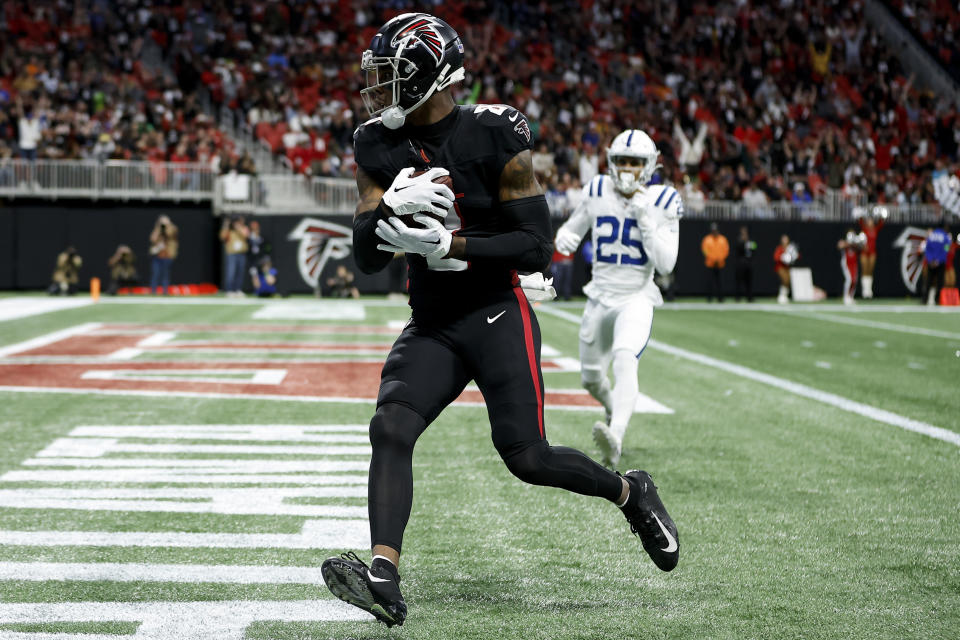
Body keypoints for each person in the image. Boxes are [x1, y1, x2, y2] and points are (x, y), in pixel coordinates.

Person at [320, 14, 679, 629]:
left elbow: (536, 246)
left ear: (429, 78)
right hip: (432, 320)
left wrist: (450, 247)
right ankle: (384, 573)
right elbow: (366, 259)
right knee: (390, 428)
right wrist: (383, 216)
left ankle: (630, 492)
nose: (376, 90)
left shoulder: (493, 133)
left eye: (391, 76)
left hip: (494, 313)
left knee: (527, 457)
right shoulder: (375, 144)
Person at [553, 129, 681, 466]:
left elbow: (666, 264)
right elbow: (573, 227)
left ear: (649, 166)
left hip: (635, 296)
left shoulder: (663, 201)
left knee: (626, 359)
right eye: (622, 161)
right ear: (611, 162)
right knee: (591, 378)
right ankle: (613, 408)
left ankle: (617, 436)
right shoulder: (596, 190)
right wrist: (564, 237)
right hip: (599, 297)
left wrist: (645, 218)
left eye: (635, 162)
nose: (627, 168)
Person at [857, 206, 886, 299]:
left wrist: (881, 214)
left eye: (871, 221)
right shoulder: (864, 228)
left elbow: (881, 223)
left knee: (870, 271)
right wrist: (862, 212)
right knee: (864, 270)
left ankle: (869, 291)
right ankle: (864, 291)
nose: (870, 222)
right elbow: (860, 220)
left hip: (872, 252)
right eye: (868, 221)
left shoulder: (875, 229)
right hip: (864, 252)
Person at [220, 216, 249, 297]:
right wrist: (226, 224)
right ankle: (229, 290)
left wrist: (238, 227)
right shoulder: (229, 231)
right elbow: (222, 237)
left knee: (240, 273)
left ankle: (238, 289)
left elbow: (246, 236)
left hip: (241, 254)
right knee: (231, 272)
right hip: (232, 254)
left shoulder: (244, 228)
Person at [924, 221, 952, 305]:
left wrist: (931, 260)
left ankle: (924, 300)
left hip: (931, 263)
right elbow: (946, 250)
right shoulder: (945, 237)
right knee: (940, 282)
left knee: (929, 281)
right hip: (940, 262)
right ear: (944, 227)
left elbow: (927, 249)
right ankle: (938, 300)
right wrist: (939, 261)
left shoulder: (931, 236)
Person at [149, 216, 178, 295]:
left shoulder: (172, 228)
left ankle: (165, 291)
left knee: (165, 274)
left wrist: (167, 225)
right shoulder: (157, 229)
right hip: (158, 256)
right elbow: (152, 239)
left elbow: (171, 234)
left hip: (167, 255)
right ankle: (153, 291)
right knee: (155, 274)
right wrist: (158, 227)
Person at [701, 222, 729, 302]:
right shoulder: (707, 239)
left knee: (720, 282)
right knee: (710, 282)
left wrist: (720, 259)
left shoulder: (723, 239)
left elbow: (726, 251)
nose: (714, 231)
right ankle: (709, 298)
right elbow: (705, 251)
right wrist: (713, 259)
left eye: (715, 230)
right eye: (713, 230)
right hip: (710, 264)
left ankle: (721, 298)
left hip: (720, 264)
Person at [837, 230, 864, 305]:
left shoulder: (856, 245)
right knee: (849, 279)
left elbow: (863, 248)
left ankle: (851, 297)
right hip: (846, 263)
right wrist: (849, 244)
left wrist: (856, 243)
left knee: (854, 280)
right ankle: (845, 297)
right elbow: (839, 245)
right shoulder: (846, 243)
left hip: (854, 264)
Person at [773, 234, 798, 304]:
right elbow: (776, 257)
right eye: (783, 239)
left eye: (786, 239)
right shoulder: (779, 248)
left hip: (787, 267)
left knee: (787, 281)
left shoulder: (791, 248)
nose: (785, 241)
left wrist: (793, 257)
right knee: (784, 279)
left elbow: (797, 256)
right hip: (780, 267)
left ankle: (784, 295)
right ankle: (781, 295)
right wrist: (783, 258)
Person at [734, 226, 756, 302]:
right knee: (739, 281)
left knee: (749, 281)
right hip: (741, 264)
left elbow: (754, 247)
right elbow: (738, 249)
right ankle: (738, 297)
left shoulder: (750, 240)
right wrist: (744, 242)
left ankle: (749, 297)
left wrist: (748, 243)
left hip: (749, 263)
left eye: (745, 231)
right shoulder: (739, 240)